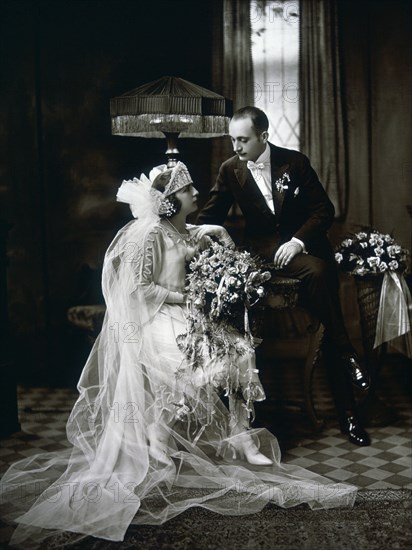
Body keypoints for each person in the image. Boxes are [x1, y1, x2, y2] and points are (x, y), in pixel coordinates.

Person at [0, 162, 357, 548]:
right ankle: (156, 437)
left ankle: (239, 434)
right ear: (172, 201)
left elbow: (222, 257)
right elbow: (139, 289)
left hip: (187, 313)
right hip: (156, 318)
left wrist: (219, 238)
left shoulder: (186, 230)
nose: (198, 195)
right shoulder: (151, 234)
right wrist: (186, 297)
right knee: (192, 364)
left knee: (239, 349)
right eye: (189, 191)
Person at [197, 106, 371, 447]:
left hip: (303, 254)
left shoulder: (296, 162)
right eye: (232, 139)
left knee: (319, 273)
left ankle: (350, 418)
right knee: (328, 319)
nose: (236, 146)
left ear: (264, 136)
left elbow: (324, 210)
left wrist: (297, 241)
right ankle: (346, 351)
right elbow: (209, 214)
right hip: (262, 256)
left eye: (243, 139)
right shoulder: (230, 169)